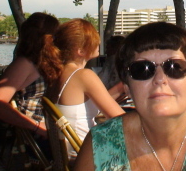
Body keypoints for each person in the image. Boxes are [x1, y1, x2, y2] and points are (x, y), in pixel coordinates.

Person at [69, 22, 186, 171]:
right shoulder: (100, 142)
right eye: (142, 69)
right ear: (127, 87)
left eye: (175, 67)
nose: (160, 79)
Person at [38, 19, 125, 160]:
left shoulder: (57, 74)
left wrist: (120, 88)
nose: (99, 43)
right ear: (81, 50)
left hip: (67, 155)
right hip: (86, 158)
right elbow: (121, 119)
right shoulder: (83, 76)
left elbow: (84, 107)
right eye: (94, 40)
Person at [0, 12, 59, 138]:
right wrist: (37, 126)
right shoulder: (25, 64)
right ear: (48, 38)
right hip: (39, 137)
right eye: (56, 35)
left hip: (50, 132)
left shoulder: (42, 62)